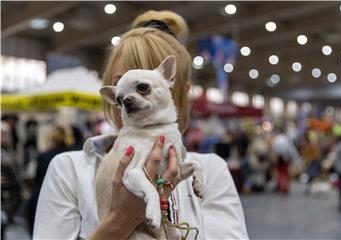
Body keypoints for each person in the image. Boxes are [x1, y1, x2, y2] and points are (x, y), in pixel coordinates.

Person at [33, 10, 248, 239]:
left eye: (143, 87)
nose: (129, 99)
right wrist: (121, 219)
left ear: (181, 93)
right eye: (120, 91)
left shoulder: (210, 171)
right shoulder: (70, 169)